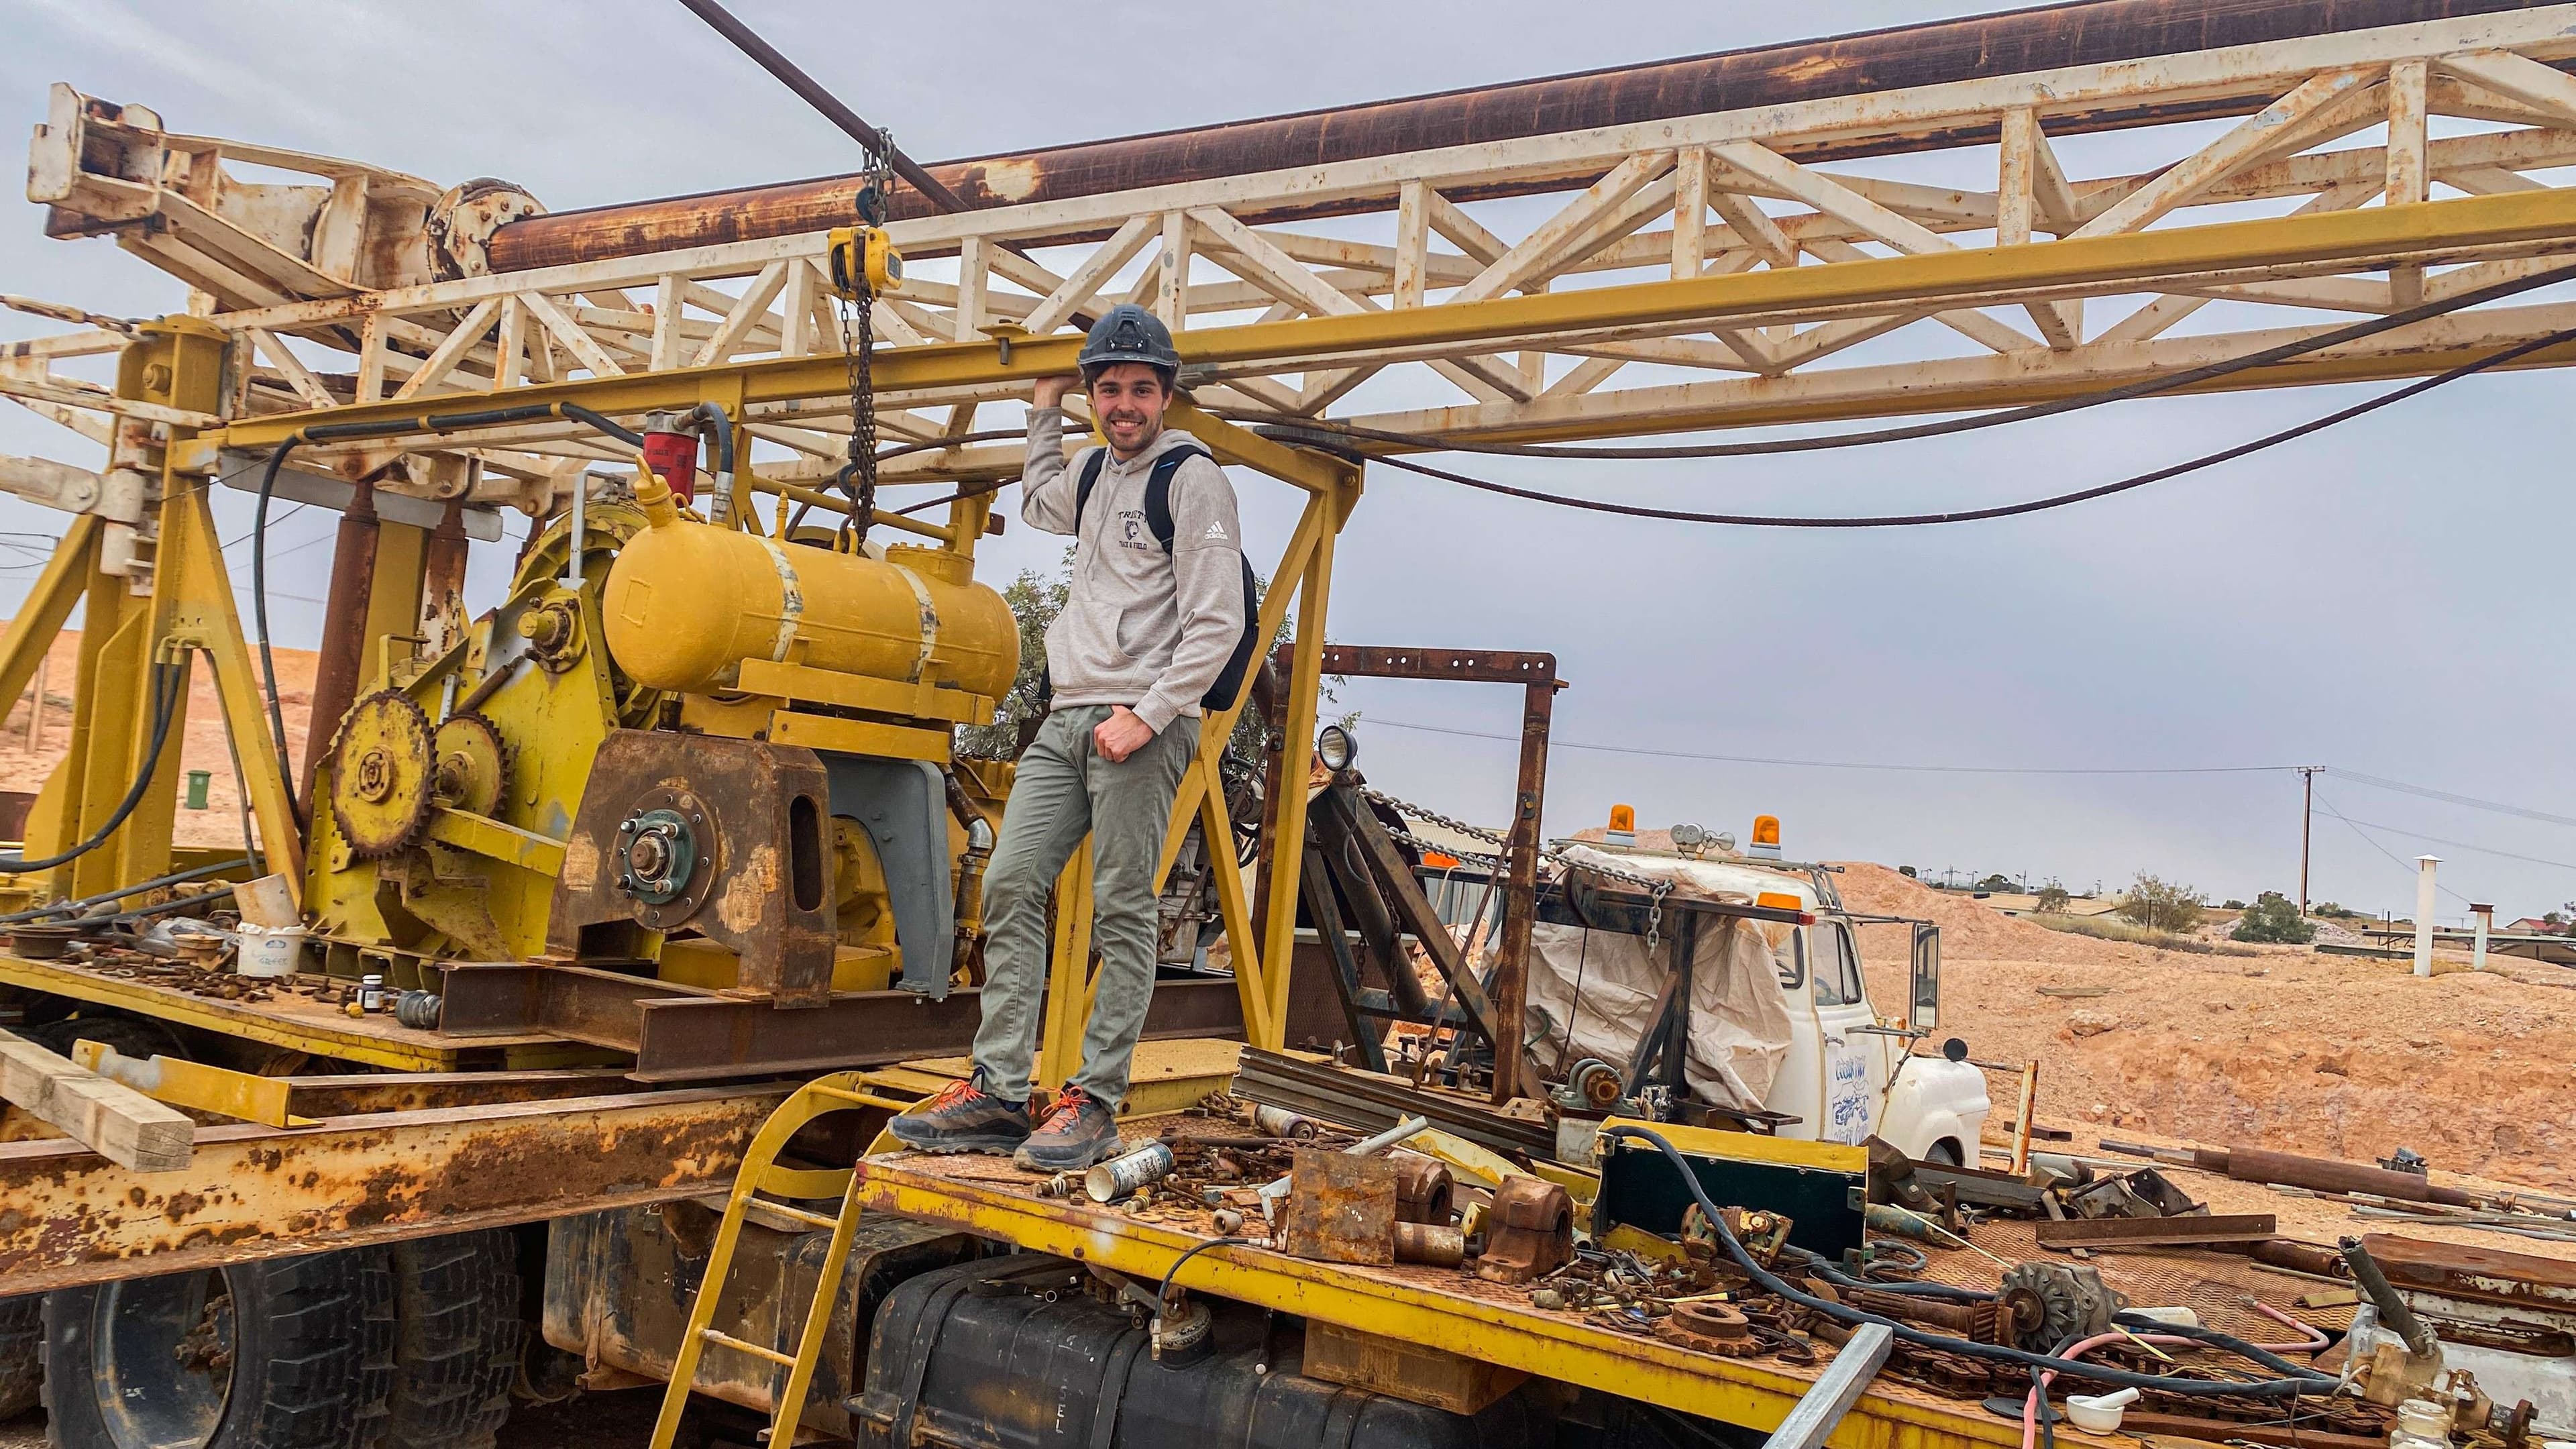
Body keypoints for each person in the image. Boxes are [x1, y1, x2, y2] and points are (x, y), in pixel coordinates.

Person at [889, 305, 1246, 1171]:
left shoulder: (1193, 479)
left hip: (1138, 721)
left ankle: (1093, 1101)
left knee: (1123, 910)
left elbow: (1218, 622)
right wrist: (1041, 409)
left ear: (1166, 396)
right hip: (1067, 715)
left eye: (1140, 389)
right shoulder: (1092, 473)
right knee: (1011, 884)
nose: (1124, 404)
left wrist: (1148, 716)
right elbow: (1041, 500)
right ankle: (1001, 1092)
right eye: (1109, 389)